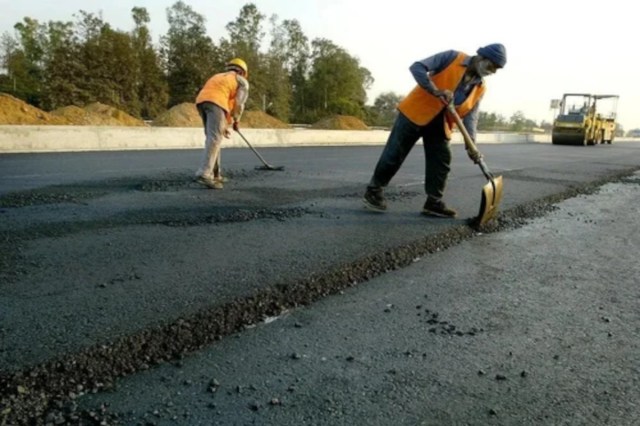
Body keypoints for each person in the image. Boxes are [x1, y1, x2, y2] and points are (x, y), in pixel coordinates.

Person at [363, 43, 507, 217]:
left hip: (441, 123)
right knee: (394, 154)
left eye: (497, 69)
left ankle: (433, 202)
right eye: (492, 66)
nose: (493, 72)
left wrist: (472, 144)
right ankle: (374, 191)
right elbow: (417, 67)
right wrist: (434, 90)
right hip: (415, 113)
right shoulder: (452, 57)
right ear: (482, 58)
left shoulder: (480, 87)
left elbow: (471, 116)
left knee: (442, 160)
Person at [194, 58, 250, 189]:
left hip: (202, 102)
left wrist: (224, 124)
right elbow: (239, 103)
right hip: (216, 103)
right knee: (215, 139)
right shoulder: (241, 81)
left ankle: (215, 174)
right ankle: (204, 173)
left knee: (213, 138)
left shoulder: (218, 76)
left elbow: (225, 101)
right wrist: (237, 120)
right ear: (242, 72)